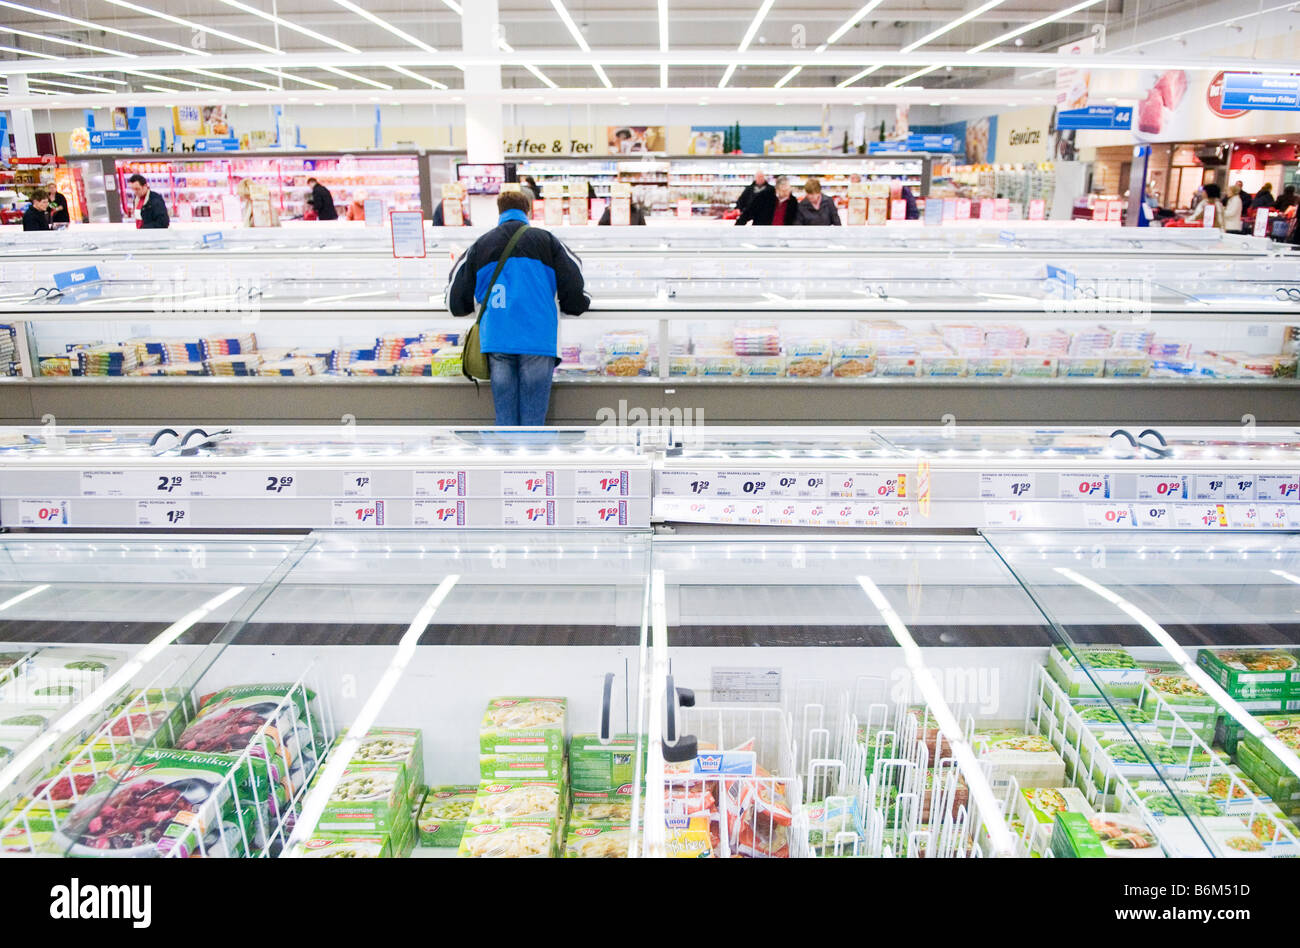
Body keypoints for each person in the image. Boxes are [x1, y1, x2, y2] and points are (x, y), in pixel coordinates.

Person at [446, 189, 590, 426]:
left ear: (499, 211)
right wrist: (576, 305)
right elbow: (574, 286)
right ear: (528, 211)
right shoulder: (547, 241)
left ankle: (507, 461)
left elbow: (455, 300)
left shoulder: (481, 244)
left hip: (497, 340)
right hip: (537, 340)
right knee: (533, 422)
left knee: (505, 420)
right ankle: (530, 462)